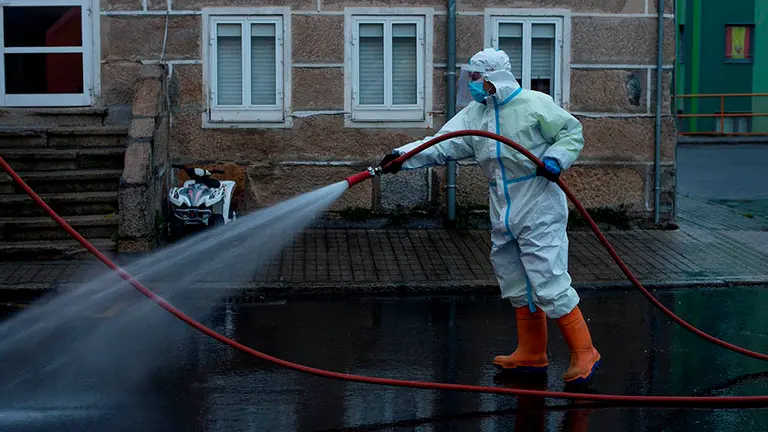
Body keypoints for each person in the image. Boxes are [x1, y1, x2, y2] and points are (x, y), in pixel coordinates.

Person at [377, 48, 600, 384]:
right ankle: (532, 353)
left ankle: (585, 351)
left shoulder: (533, 104)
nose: (473, 85)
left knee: (547, 276)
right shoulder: (475, 115)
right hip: (503, 204)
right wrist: (402, 157)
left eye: (477, 78)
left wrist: (555, 159)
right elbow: (442, 143)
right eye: (472, 78)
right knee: (513, 277)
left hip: (538, 201)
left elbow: (571, 132)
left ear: (495, 77)